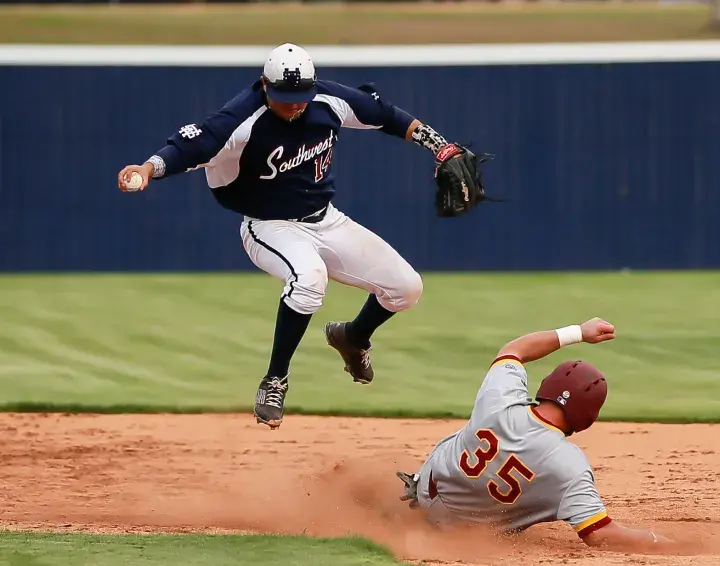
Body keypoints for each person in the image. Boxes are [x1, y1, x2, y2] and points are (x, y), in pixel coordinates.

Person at [117, 43, 476, 431]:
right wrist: (148, 168)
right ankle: (275, 380)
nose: (293, 105)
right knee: (309, 279)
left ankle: (353, 337)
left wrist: (440, 146)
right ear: (264, 85)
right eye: (283, 97)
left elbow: (387, 116)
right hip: (268, 226)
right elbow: (190, 145)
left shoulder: (328, 100)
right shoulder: (241, 120)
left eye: (300, 96)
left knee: (406, 288)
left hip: (327, 220)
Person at [396, 317, 678, 552]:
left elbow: (514, 349)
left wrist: (579, 332)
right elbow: (600, 534)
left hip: (427, 493)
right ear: (587, 418)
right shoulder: (569, 466)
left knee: (465, 435)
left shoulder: (501, 398)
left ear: (546, 386)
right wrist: (667, 544)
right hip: (464, 536)